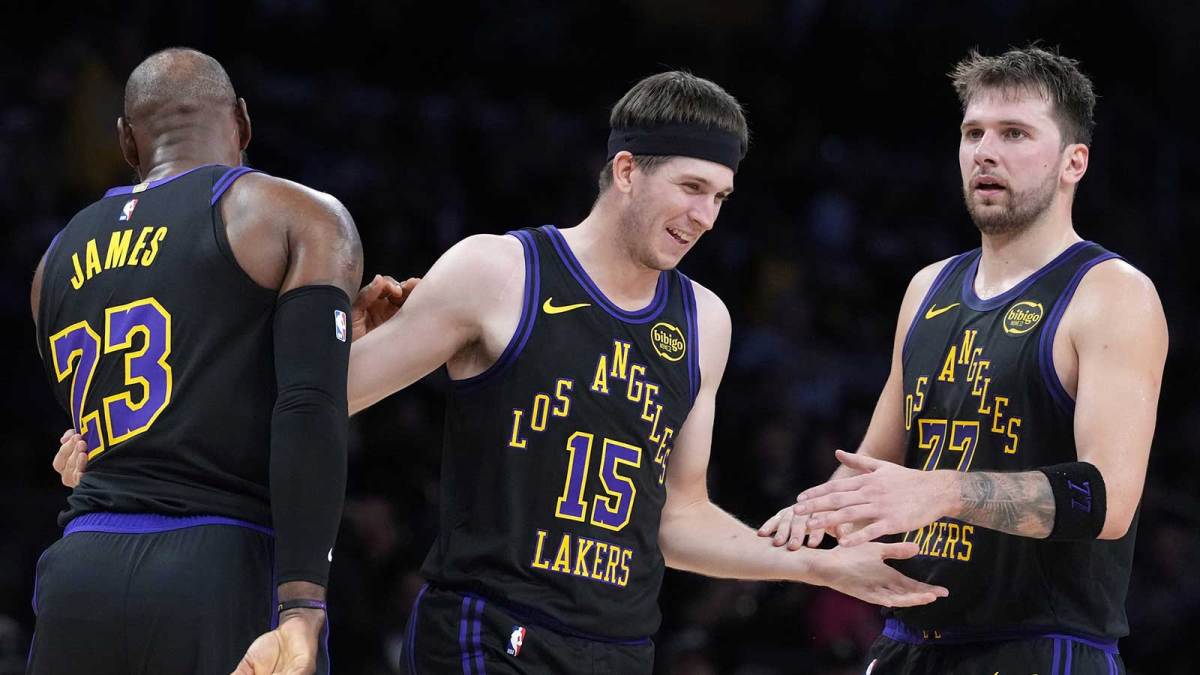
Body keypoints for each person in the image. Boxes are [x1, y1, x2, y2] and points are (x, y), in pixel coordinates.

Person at [53, 70, 948, 674]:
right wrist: (132, 435)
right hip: (486, 630)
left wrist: (817, 571)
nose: (706, 216)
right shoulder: (499, 271)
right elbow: (322, 396)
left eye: (720, 197)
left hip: (619, 644)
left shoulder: (702, 322)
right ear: (626, 171)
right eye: (689, 189)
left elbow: (675, 517)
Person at [759, 46, 1168, 674]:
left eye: (1014, 134)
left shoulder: (1111, 293)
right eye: (973, 132)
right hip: (908, 640)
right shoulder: (928, 287)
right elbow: (874, 470)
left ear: (1073, 162)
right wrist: (807, 524)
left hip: (1040, 645)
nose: (985, 151)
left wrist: (943, 492)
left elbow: (1106, 502)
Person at [31, 47, 409, 675]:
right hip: (218, 562)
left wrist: (337, 343)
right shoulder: (296, 214)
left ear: (128, 142)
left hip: (79, 569)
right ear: (242, 122)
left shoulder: (53, 261)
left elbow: (147, 412)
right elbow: (306, 408)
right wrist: (302, 607)